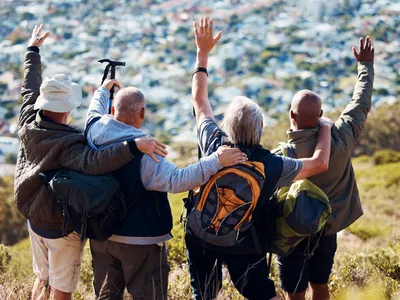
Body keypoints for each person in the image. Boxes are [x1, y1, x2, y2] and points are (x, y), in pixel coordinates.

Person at [185, 17, 334, 300]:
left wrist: (202, 54)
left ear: (227, 126)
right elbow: (319, 163)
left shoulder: (214, 143)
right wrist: (324, 126)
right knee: (263, 294)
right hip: (244, 242)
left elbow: (199, 101)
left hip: (200, 236)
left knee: (202, 294)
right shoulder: (272, 164)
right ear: (261, 127)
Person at [15, 25, 166, 300]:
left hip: (33, 218)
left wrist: (33, 50)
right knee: (62, 290)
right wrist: (133, 145)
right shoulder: (68, 143)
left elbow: (29, 87)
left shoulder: (28, 120)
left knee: (43, 279)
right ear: (68, 109)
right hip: (60, 227)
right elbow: (96, 161)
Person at [84, 79, 247, 299]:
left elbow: (93, 111)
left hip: (101, 236)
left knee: (106, 295)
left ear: (113, 110)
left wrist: (103, 91)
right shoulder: (146, 150)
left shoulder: (94, 129)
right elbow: (178, 180)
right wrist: (216, 160)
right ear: (142, 113)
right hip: (140, 240)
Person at [275, 37, 374, 300]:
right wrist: (366, 66)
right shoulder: (342, 138)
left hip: (292, 236)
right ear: (320, 114)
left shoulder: (284, 156)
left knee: (294, 292)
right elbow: (361, 102)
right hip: (327, 230)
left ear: (291, 117)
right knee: (320, 286)